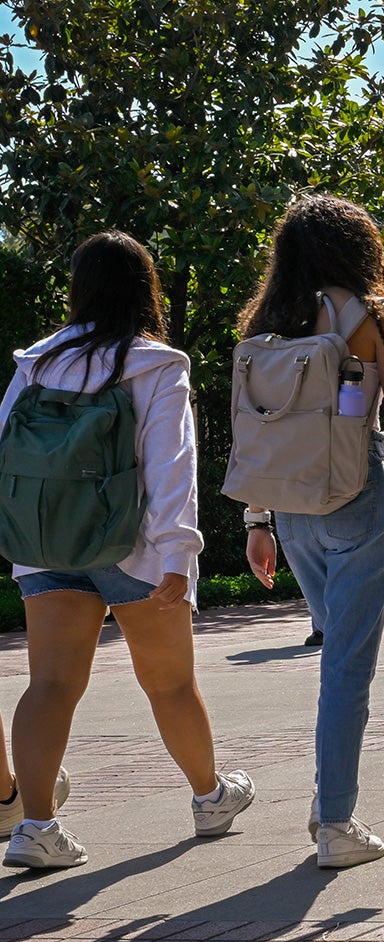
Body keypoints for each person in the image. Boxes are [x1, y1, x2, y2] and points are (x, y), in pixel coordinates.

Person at [3, 230, 252, 871]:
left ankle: (34, 827)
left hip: (45, 539)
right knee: (170, 683)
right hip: (133, 548)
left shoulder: (34, 364)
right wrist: (178, 553)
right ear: (146, 290)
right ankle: (209, 797)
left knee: (50, 684)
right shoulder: (155, 364)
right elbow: (172, 464)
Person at [241, 194, 384, 870]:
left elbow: (258, 427)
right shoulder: (374, 317)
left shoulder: (265, 320)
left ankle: (327, 799)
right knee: (348, 666)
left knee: (334, 648)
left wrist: (255, 519)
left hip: (289, 502)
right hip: (358, 489)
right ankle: (335, 820)